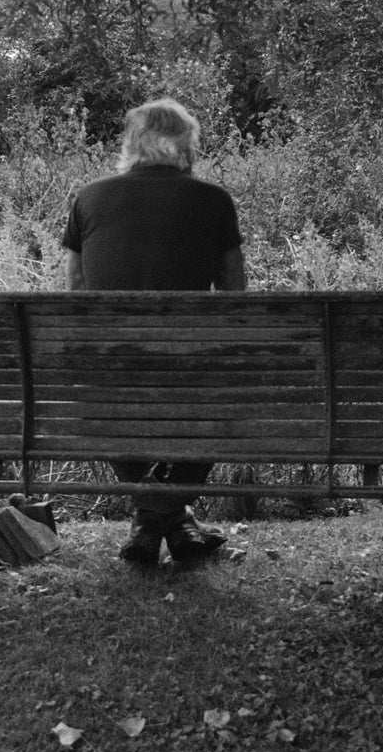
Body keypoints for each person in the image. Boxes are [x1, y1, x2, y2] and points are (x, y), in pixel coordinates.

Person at [62, 96, 246, 566]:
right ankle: (175, 517)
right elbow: (234, 294)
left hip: (112, 373)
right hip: (189, 368)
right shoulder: (214, 200)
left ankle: (151, 517)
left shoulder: (88, 198)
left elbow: (76, 291)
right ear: (187, 145)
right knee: (221, 389)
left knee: (102, 388)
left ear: (131, 143)